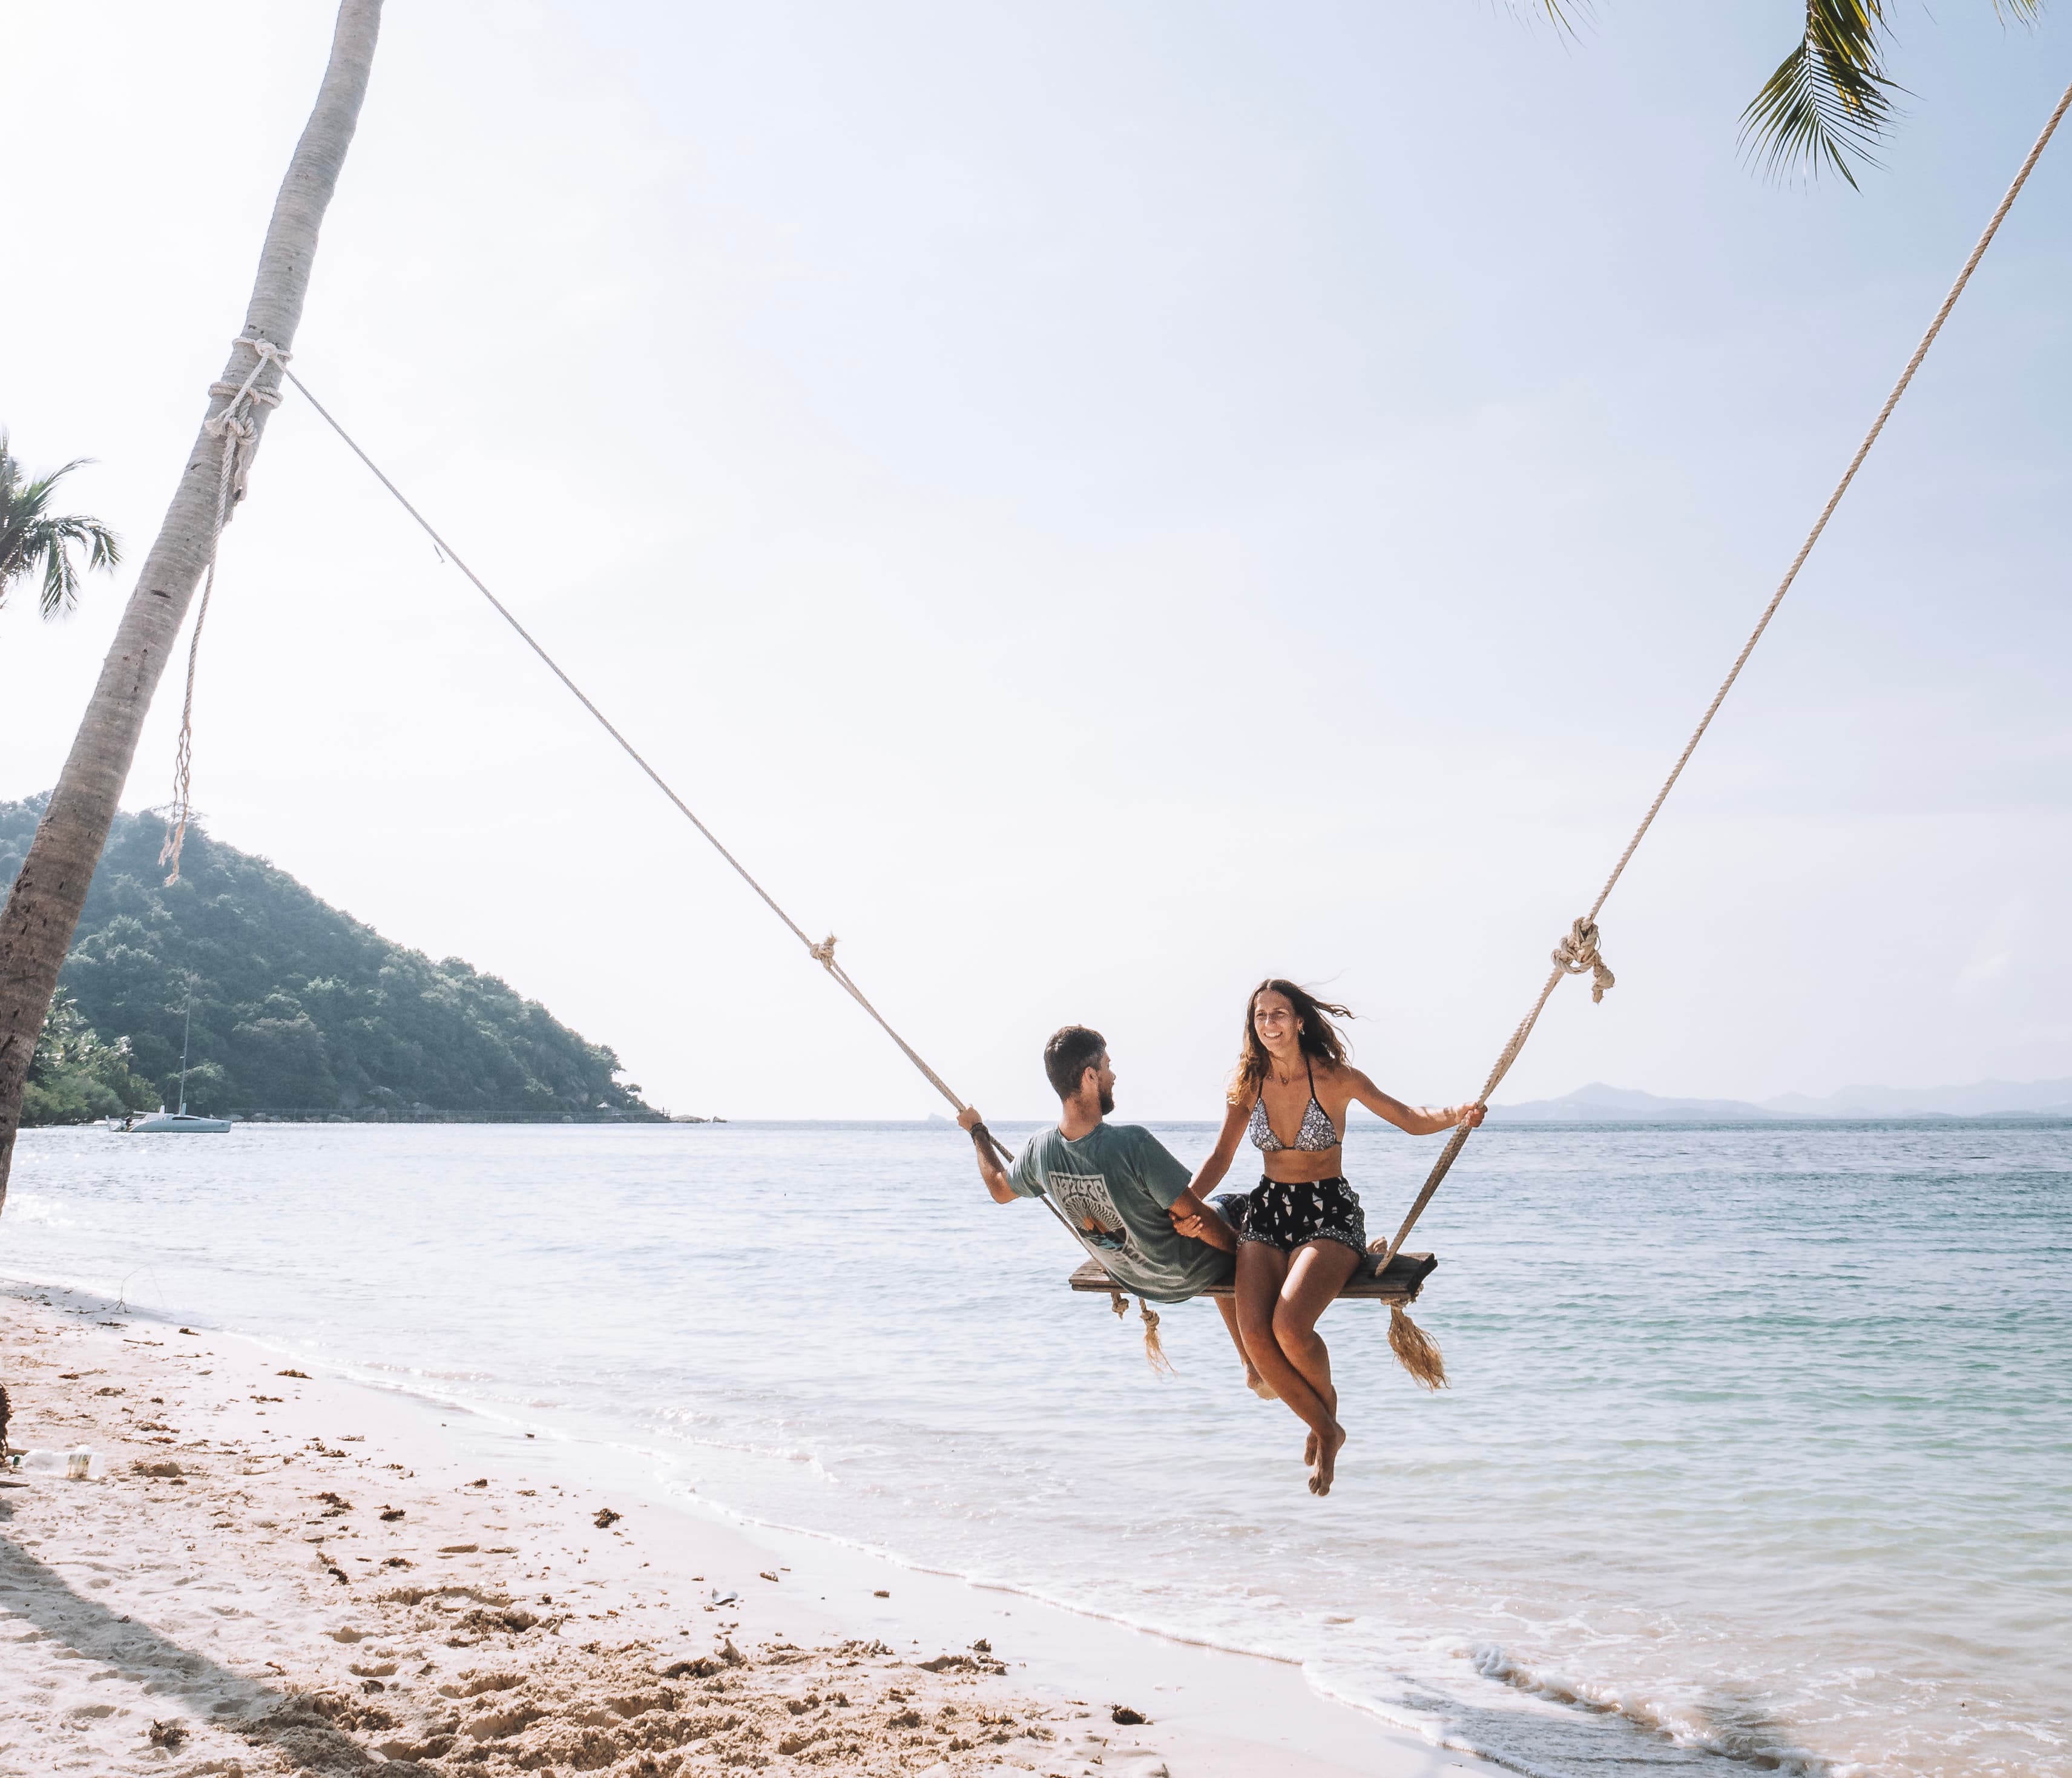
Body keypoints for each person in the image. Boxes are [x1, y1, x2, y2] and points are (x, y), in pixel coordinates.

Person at [1177, 980, 1484, 1496]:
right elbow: (1221, 1158)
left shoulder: (1334, 1077)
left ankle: (1326, 1419)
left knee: (1290, 1326)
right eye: (1260, 1016)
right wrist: (1181, 1204)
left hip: (1328, 1213)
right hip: (1268, 1211)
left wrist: (1457, 1114)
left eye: (1279, 1013)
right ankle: (1326, 1428)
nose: (1269, 1023)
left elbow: (1408, 1119)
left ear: (1299, 1021)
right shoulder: (1247, 1082)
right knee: (1256, 1336)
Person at [956, 1024, 1235, 1309]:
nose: (1113, 1076)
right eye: (1107, 1067)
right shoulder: (1133, 1144)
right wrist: (1244, 1253)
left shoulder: (1040, 1151)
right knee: (1238, 1209)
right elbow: (1197, 1219)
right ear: (1090, 1076)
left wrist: (977, 1131)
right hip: (1187, 1274)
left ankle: (1246, 1355)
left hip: (1137, 1280)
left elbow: (999, 1189)